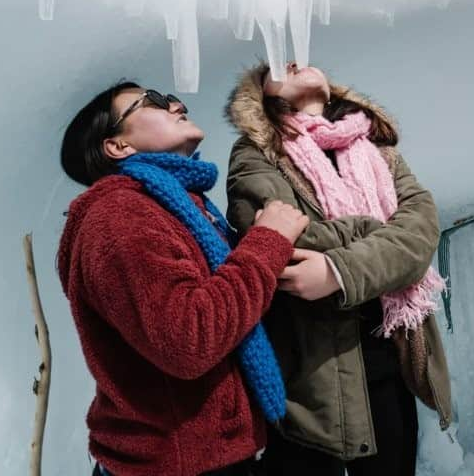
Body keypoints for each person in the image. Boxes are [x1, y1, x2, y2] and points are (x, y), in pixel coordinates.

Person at [58, 82, 308, 476]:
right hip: (176, 466)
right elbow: (188, 339)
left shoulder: (175, 206)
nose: (175, 103)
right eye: (152, 100)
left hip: (206, 457)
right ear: (118, 146)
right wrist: (266, 244)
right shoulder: (119, 215)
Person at [224, 62, 451, 476]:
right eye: (277, 63)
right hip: (314, 380)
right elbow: (286, 242)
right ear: (263, 97)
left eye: (300, 56)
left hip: (389, 359)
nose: (293, 61)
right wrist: (376, 230)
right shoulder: (255, 154)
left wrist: (338, 270)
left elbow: (420, 231)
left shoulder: (376, 149)